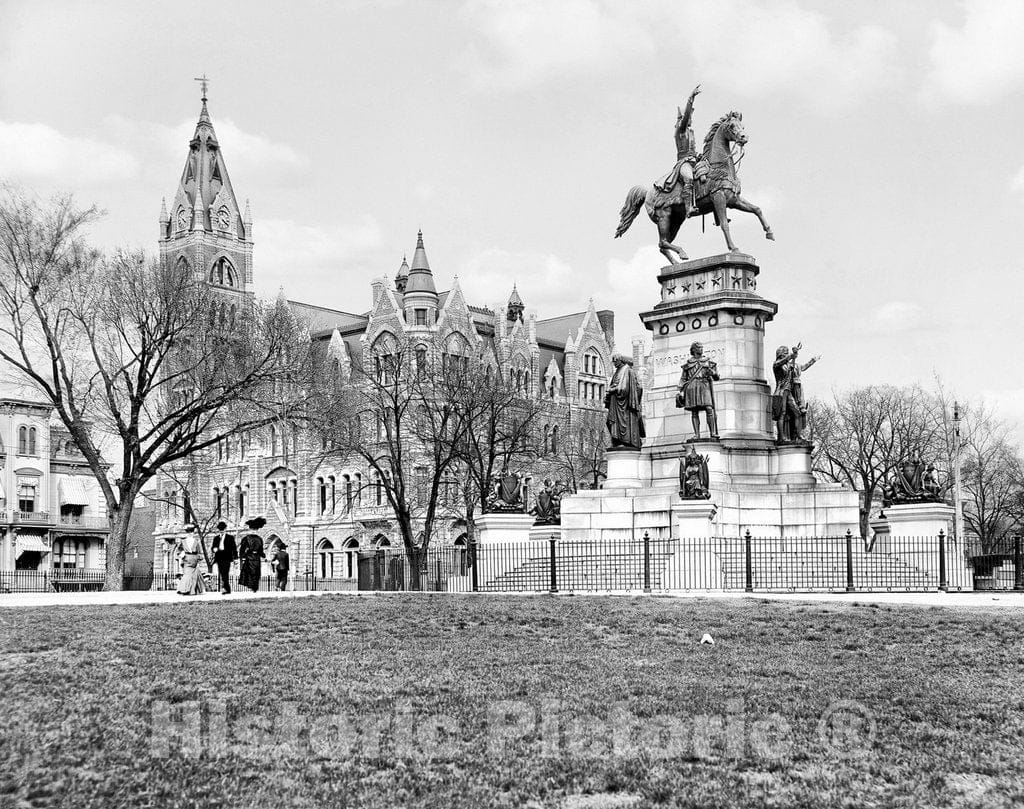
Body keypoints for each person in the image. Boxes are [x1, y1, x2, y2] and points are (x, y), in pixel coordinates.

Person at [655, 84, 701, 214]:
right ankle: (688, 208)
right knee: (689, 179)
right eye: (688, 117)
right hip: (683, 163)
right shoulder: (681, 131)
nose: (690, 119)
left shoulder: (691, 132)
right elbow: (686, 115)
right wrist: (691, 99)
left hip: (693, 161)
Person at [772, 342, 819, 443]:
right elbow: (783, 361)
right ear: (780, 355)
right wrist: (791, 356)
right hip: (780, 392)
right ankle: (782, 438)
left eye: (787, 353)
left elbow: (797, 367)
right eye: (785, 353)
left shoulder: (788, 366)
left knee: (797, 413)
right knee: (782, 414)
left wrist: (796, 355)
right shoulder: (776, 365)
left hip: (788, 391)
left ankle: (797, 436)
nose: (786, 355)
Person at [677, 342, 720, 440]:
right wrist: (681, 391)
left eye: (701, 347)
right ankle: (697, 434)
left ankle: (712, 432)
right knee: (694, 411)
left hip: (704, 385)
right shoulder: (688, 364)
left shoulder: (708, 362)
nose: (701, 349)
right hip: (692, 387)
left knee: (709, 408)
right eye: (699, 347)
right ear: (694, 350)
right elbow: (683, 379)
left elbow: (717, 377)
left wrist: (712, 373)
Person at [604, 354, 645, 448]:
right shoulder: (617, 371)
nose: (614, 363)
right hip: (615, 402)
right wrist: (608, 396)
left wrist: (612, 390)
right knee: (610, 422)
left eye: (615, 361)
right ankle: (617, 441)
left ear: (620, 360)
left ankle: (625, 441)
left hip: (624, 404)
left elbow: (625, 388)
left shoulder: (627, 371)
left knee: (624, 422)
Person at [237, 516, 267, 592]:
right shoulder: (246, 538)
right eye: (253, 529)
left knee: (256, 573)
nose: (254, 531)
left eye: (255, 529)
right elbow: (242, 550)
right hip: (249, 557)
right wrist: (243, 558)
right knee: (250, 573)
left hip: (257, 558)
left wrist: (264, 556)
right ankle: (252, 587)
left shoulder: (259, 539)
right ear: (250, 529)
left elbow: (261, 550)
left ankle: (255, 588)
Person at [175, 525, 206, 596]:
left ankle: (192, 591)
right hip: (187, 559)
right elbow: (178, 551)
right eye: (189, 532)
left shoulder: (196, 542)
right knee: (187, 574)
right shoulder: (183, 542)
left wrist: (198, 560)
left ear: (193, 533)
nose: (190, 533)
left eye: (191, 532)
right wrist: (181, 554)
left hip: (194, 560)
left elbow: (199, 552)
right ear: (187, 533)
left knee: (194, 576)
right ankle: (183, 589)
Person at [210, 520, 237, 595]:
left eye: (222, 530)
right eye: (220, 530)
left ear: (225, 529)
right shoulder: (216, 538)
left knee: (225, 573)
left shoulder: (230, 538)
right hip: (219, 558)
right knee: (222, 573)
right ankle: (227, 589)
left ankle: (225, 588)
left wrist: (235, 558)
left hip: (227, 558)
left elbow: (234, 548)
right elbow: (213, 547)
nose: (221, 531)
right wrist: (214, 549)